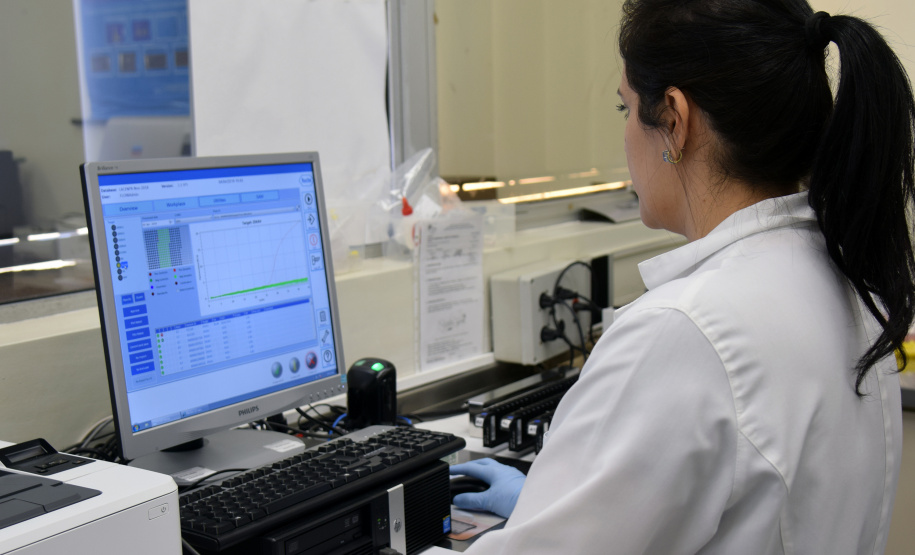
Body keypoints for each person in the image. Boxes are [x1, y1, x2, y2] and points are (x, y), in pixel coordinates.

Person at [449, 0, 915, 552]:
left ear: (673, 118)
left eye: (625, 110)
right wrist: (551, 504)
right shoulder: (847, 285)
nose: (625, 136)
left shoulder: (684, 331)